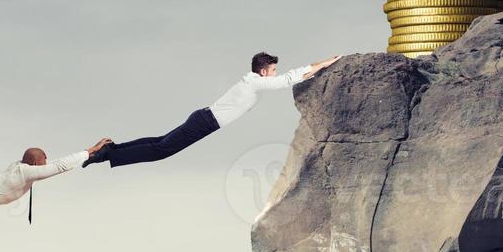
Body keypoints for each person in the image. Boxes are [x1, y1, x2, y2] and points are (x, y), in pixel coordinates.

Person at [89, 53, 342, 168]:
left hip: (204, 118)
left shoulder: (252, 82)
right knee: (161, 150)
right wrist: (324, 65)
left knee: (160, 142)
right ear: (263, 71)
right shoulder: (255, 81)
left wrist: (323, 62)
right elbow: (288, 79)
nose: (274, 73)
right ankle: (107, 155)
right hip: (205, 121)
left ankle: (111, 150)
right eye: (273, 69)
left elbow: (291, 75)